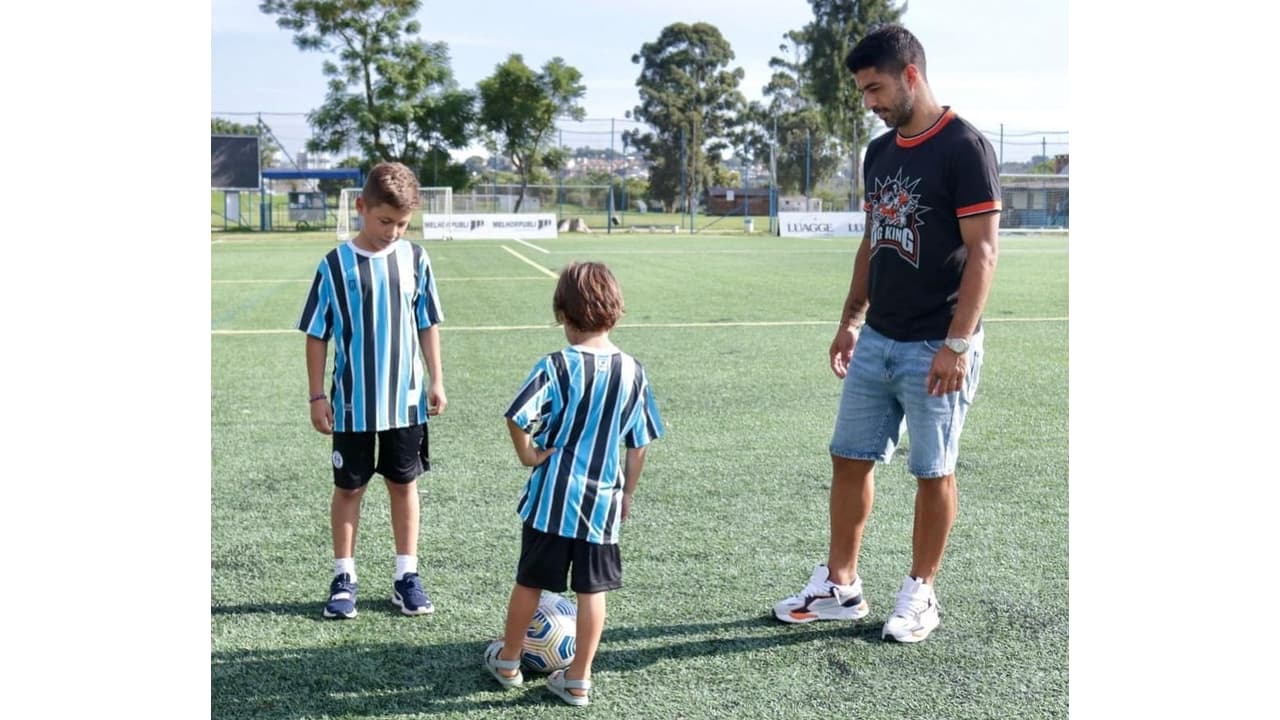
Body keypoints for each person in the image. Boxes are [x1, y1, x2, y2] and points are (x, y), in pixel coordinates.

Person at [772, 24, 1000, 644]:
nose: (869, 102)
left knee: (933, 470)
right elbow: (872, 241)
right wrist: (850, 320)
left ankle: (920, 593)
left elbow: (983, 253)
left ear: (911, 75)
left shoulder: (964, 147)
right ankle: (840, 587)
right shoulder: (880, 153)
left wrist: (957, 342)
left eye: (875, 89)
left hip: (938, 342)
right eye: (863, 92)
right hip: (878, 337)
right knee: (849, 458)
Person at [483, 261, 664, 707]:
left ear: (562, 314)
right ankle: (579, 678)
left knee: (530, 580)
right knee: (592, 591)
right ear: (616, 311)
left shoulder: (556, 365)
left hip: (551, 499)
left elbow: (517, 415)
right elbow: (638, 444)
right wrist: (627, 494)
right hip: (601, 504)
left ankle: (508, 661)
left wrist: (528, 455)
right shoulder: (632, 371)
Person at [296, 161, 447, 620]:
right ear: (361, 208)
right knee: (350, 489)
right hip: (351, 404)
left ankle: (407, 576)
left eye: (402, 224)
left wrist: (436, 378)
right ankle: (344, 577)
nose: (394, 231)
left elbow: (427, 322)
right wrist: (316, 395)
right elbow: (316, 334)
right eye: (385, 221)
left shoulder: (416, 259)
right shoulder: (335, 265)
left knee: (404, 485)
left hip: (405, 401)